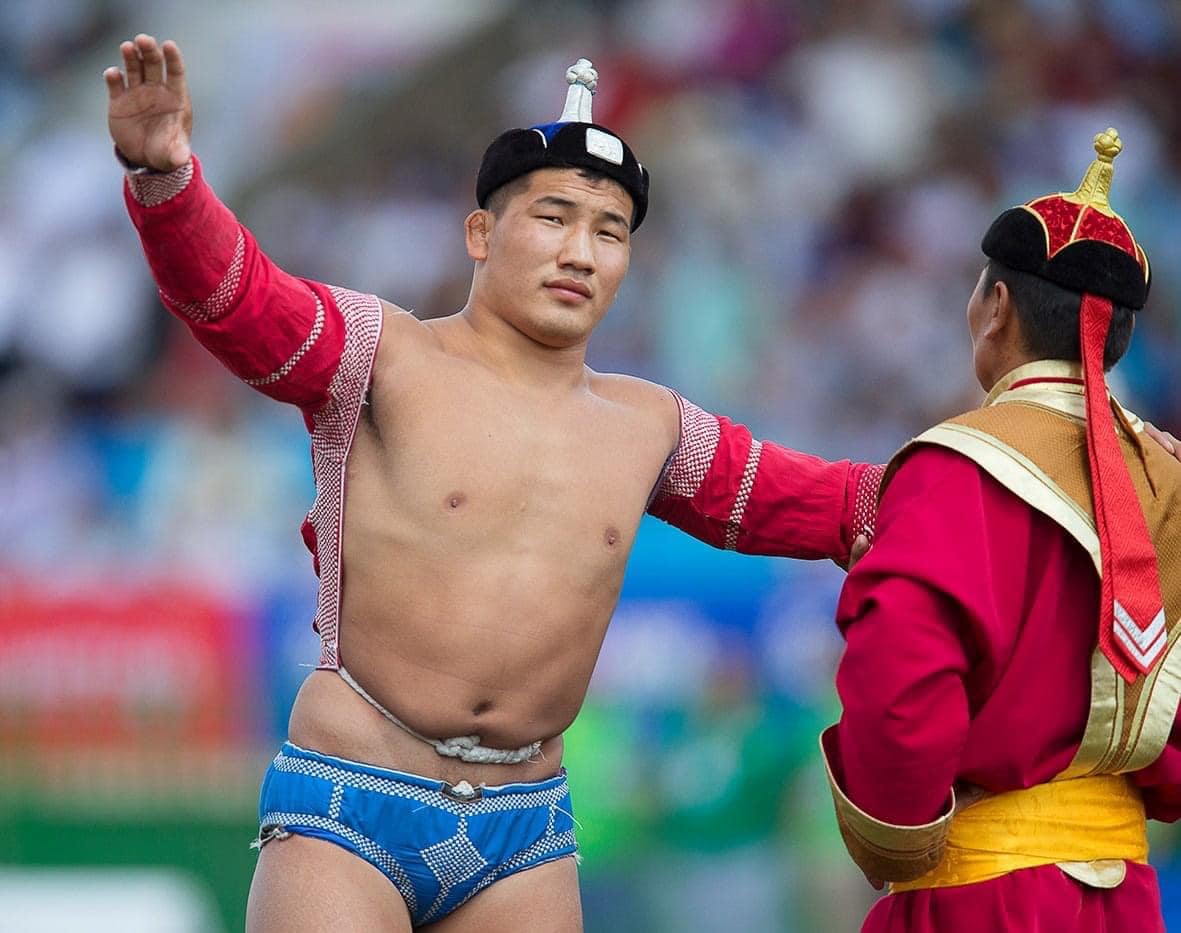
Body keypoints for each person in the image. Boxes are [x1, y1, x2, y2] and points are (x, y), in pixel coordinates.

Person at [104, 35, 886, 932]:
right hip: (349, 800)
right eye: (553, 217)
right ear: (481, 233)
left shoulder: (653, 425)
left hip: (524, 833)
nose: (580, 252)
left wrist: (1001, 452)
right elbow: (237, 303)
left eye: (609, 231)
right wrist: (165, 182)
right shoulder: (382, 353)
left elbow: (840, 505)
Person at [821, 127, 1181, 932]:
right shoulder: (1166, 479)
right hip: (1125, 900)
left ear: (996, 309)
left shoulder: (954, 469)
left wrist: (894, 841)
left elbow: (899, 696)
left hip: (979, 897)